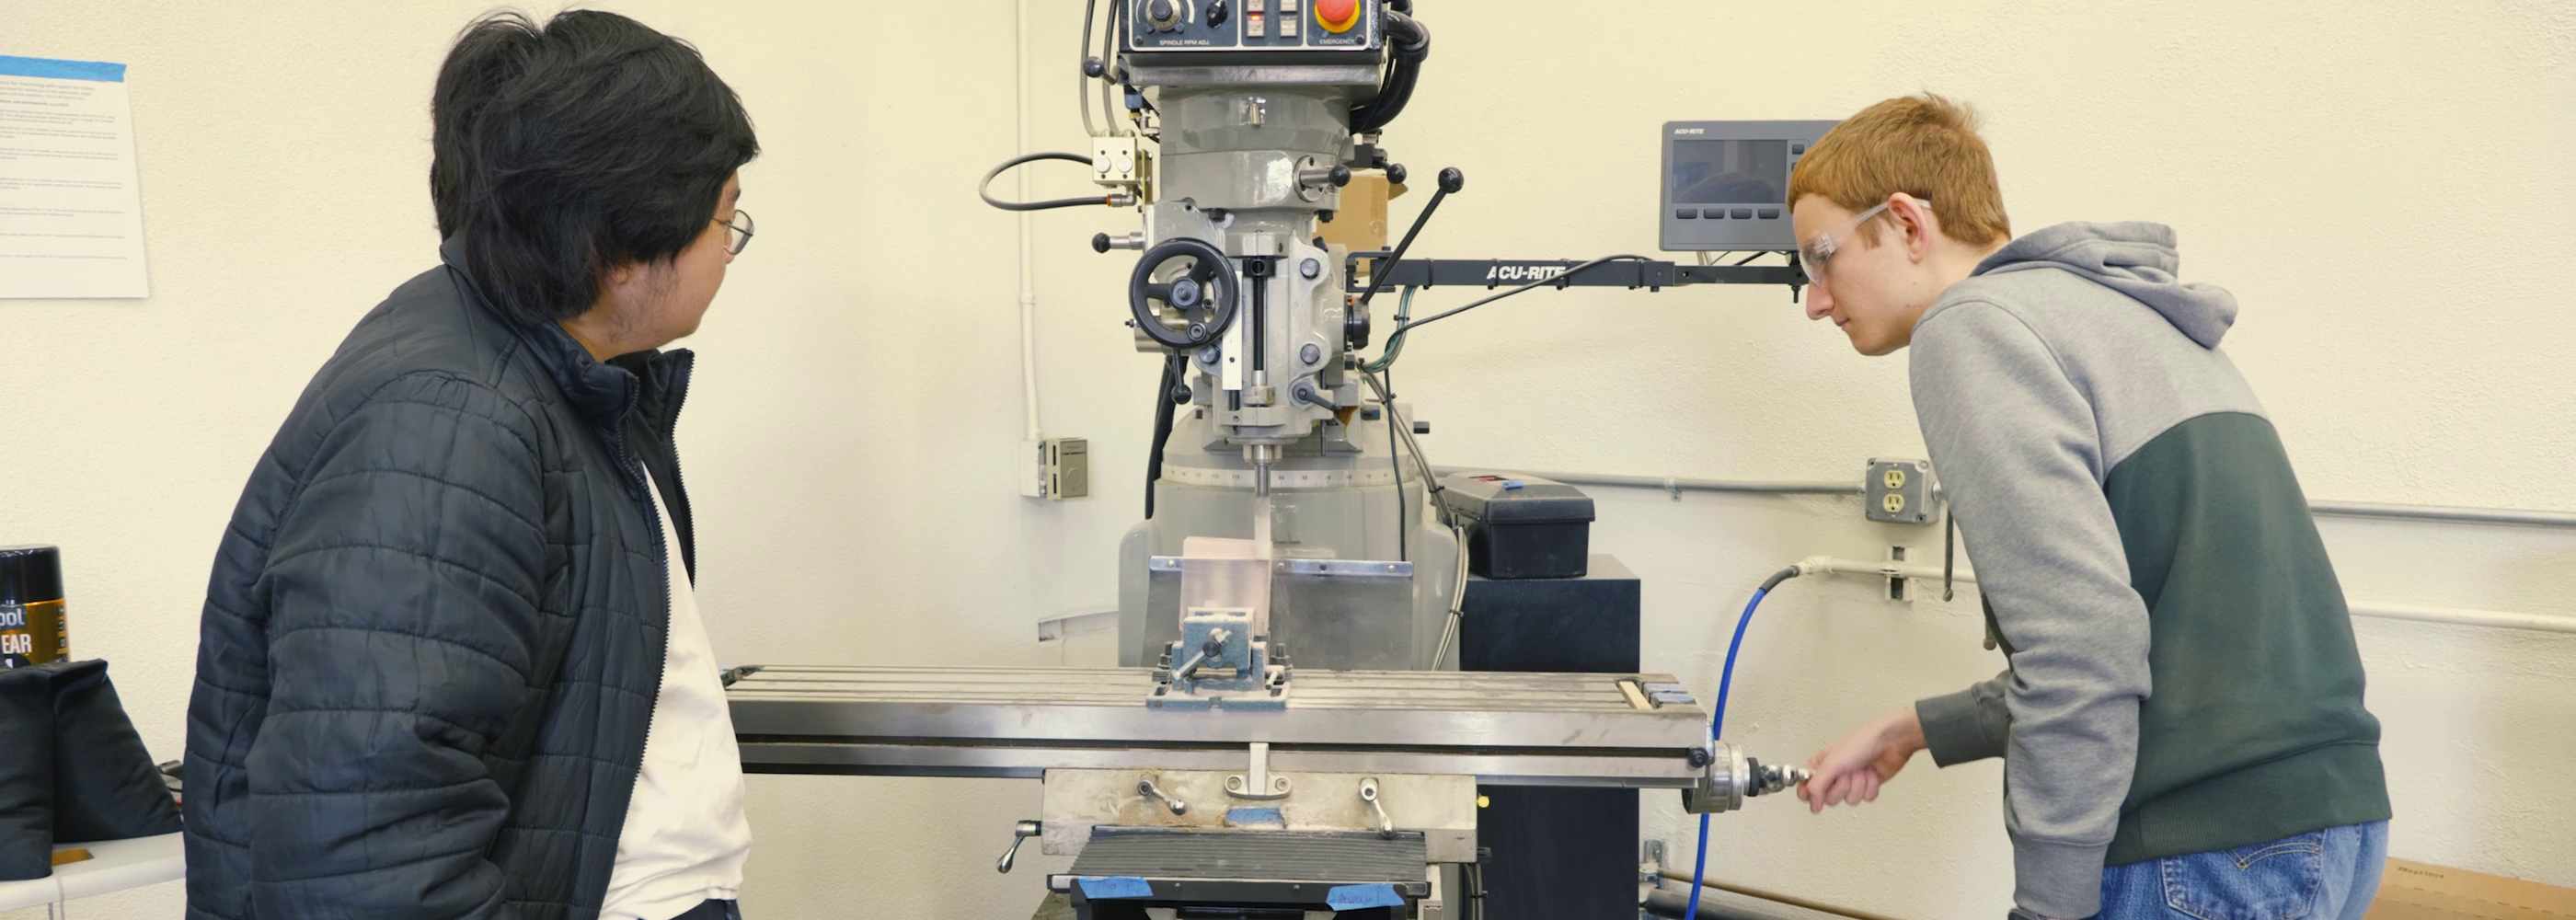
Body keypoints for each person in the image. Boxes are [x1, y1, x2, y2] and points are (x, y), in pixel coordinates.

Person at [181, 10, 761, 920]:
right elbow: (366, 852)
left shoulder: (572, 383)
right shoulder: (451, 424)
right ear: (614, 249)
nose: (731, 248)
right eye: (727, 219)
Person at [1786, 94, 2391, 920]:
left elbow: (2083, 651)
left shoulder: (1973, 328)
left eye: (1821, 259)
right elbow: (2155, 643)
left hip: (2199, 853)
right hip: (2325, 830)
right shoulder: (2126, 318)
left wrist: (2048, 909)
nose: (1815, 299)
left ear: (1905, 224)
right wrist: (1913, 729)